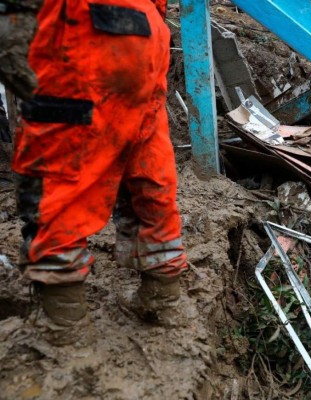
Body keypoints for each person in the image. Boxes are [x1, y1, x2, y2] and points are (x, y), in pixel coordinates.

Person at [0, 0, 188, 346]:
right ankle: (163, 300)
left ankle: (65, 324)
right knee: (147, 163)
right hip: (148, 32)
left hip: (82, 25)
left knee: (58, 173)